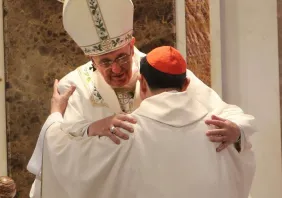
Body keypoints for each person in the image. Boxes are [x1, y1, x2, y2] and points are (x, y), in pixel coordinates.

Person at [27, 0, 256, 197]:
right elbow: (63, 151)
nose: (116, 69)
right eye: (105, 62)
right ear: (91, 57)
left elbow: (226, 113)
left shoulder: (161, 71)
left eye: (122, 58)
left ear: (132, 45)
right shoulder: (74, 85)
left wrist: (237, 131)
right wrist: (91, 127)